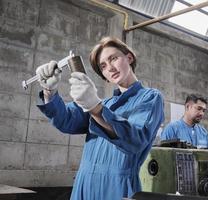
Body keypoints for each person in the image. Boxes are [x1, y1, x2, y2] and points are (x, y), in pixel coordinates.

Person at [35, 37, 164, 200]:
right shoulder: (104, 103)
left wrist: (95, 108)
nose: (110, 68)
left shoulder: (150, 98)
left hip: (118, 188)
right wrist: (49, 91)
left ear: (129, 57)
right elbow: (66, 120)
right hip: (85, 184)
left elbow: (135, 139)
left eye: (113, 58)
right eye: (103, 66)